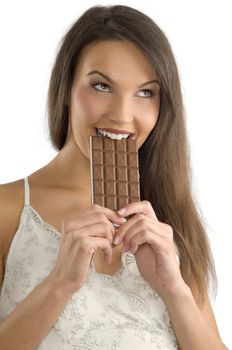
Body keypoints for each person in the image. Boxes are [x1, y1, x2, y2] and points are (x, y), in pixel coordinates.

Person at [0, 5, 228, 350]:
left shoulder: (170, 223)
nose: (122, 114)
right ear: (66, 89)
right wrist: (59, 284)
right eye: (102, 86)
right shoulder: (8, 209)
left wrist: (174, 291)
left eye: (145, 92)